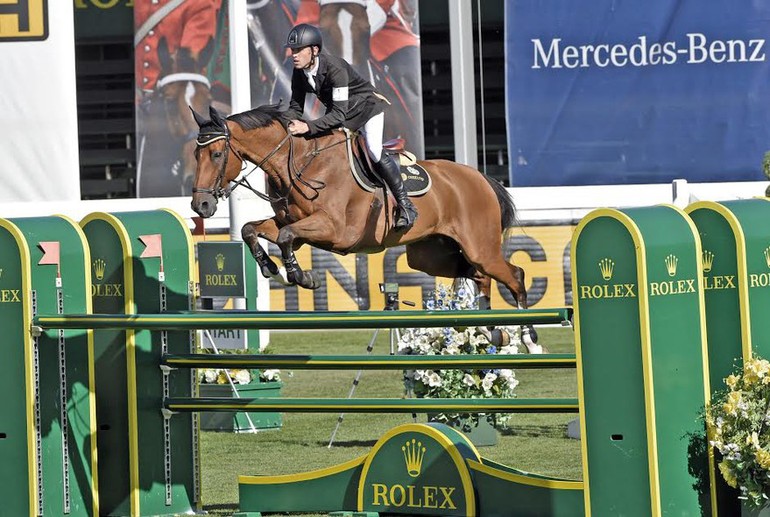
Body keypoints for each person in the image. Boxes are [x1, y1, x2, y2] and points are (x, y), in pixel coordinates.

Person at [283, 23, 418, 232]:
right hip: (344, 112)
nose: (294, 55)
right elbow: (295, 107)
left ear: (315, 50)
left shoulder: (335, 68)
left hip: (367, 108)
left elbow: (338, 115)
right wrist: (284, 124)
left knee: (373, 149)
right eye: (293, 50)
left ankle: (406, 205)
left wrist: (308, 127)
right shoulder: (299, 72)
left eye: (299, 50)